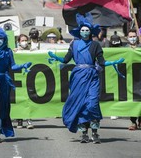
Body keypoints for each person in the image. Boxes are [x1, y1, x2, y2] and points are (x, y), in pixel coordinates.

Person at [47, 13, 124, 144]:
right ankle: (84, 133)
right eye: (82, 30)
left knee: (92, 103)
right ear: (79, 31)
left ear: (91, 31)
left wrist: (114, 62)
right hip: (78, 76)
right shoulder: (74, 44)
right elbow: (66, 59)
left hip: (92, 76)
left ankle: (95, 132)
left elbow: (102, 62)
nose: (84, 32)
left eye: (87, 30)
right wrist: (56, 58)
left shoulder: (96, 45)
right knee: (81, 104)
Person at [13, 34, 34, 129]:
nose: (24, 42)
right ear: (18, 42)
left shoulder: (31, 51)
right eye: (22, 40)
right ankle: (19, 120)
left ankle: (29, 120)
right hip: (18, 79)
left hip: (28, 79)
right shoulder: (14, 52)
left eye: (26, 40)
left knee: (28, 99)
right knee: (19, 99)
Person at [125, 29, 141, 130]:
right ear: (127, 38)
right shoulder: (124, 49)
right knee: (132, 99)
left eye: (134, 36)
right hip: (130, 78)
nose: (132, 38)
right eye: (130, 36)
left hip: (140, 77)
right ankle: (133, 122)